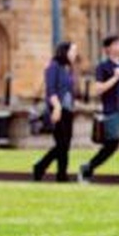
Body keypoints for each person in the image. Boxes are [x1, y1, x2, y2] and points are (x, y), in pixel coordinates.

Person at [80, 35, 119, 185]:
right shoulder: (103, 67)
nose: (118, 47)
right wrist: (114, 78)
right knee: (112, 144)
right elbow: (98, 89)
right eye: (115, 44)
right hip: (113, 111)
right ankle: (87, 168)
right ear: (107, 48)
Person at [32, 41, 78, 182]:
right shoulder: (53, 67)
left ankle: (59, 173)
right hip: (57, 109)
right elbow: (51, 90)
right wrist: (57, 107)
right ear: (65, 52)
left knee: (65, 144)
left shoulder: (68, 69)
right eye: (73, 51)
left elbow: (69, 90)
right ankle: (43, 168)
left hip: (68, 109)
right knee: (62, 143)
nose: (75, 54)